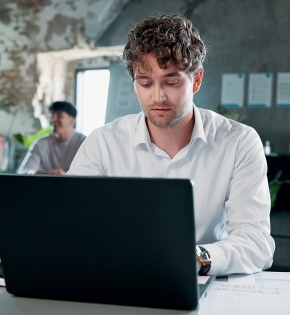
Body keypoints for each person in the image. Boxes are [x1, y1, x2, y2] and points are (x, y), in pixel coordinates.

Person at [67, 15, 275, 276]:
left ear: (196, 80)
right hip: (118, 278)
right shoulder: (103, 142)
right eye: (145, 83)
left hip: (201, 281)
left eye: (171, 81)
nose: (158, 96)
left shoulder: (239, 142)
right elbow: (71, 224)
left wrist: (198, 258)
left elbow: (256, 241)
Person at [17, 101, 86, 175]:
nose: (54, 119)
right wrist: (34, 173)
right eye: (52, 115)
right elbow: (23, 171)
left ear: (71, 121)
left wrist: (66, 176)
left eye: (59, 115)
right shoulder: (41, 144)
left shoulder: (84, 143)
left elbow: (91, 173)